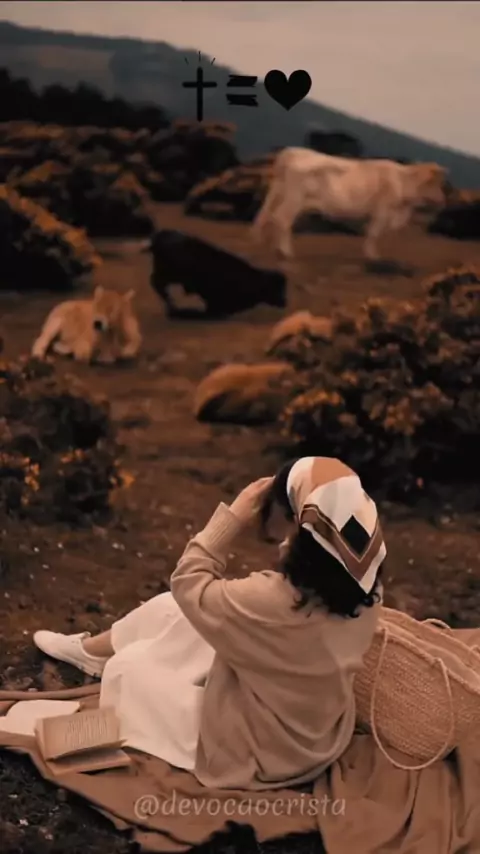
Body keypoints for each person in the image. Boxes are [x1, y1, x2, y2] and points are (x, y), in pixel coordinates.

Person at [33, 455, 386, 791]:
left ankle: (117, 667)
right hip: (310, 732)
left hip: (261, 750)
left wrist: (233, 517)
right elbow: (201, 603)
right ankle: (91, 652)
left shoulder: (274, 601)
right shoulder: (367, 592)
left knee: (128, 668)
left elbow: (188, 581)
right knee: (172, 610)